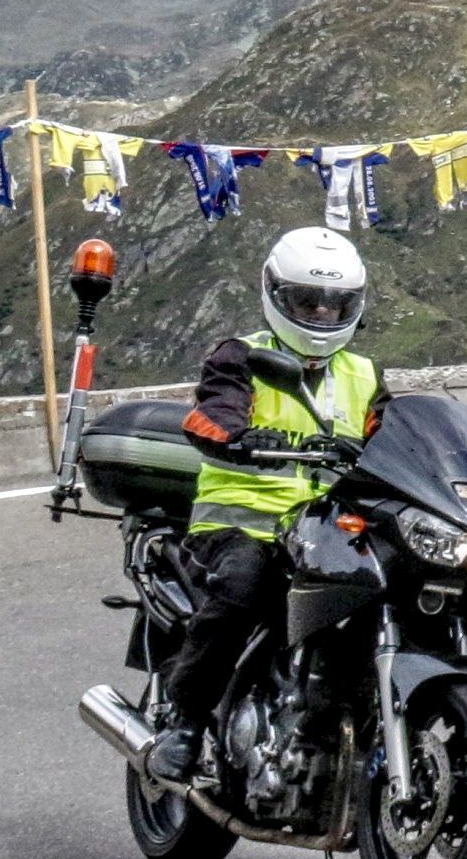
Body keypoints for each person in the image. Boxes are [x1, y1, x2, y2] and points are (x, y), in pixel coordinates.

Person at [145, 226, 380, 786]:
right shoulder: (242, 357)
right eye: (308, 301)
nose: (322, 313)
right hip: (240, 524)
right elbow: (212, 411)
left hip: (324, 528)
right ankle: (185, 722)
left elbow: (394, 435)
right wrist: (235, 436)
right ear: (276, 297)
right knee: (244, 586)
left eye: (336, 303)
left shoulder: (364, 374)